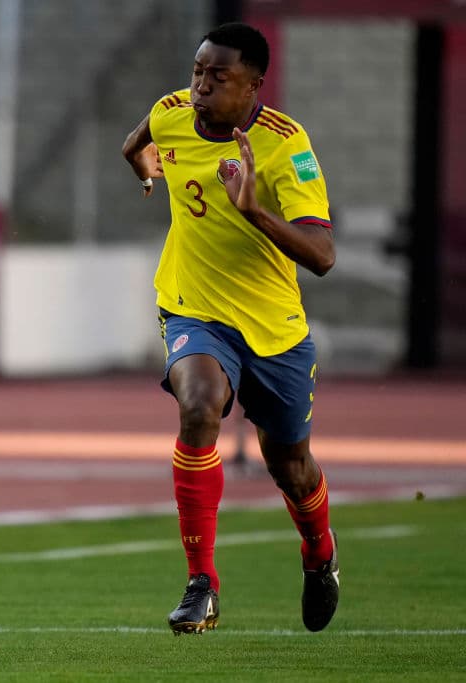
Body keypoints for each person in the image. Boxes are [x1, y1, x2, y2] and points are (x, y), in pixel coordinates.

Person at [120, 22, 339, 635]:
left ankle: (320, 553)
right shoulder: (170, 114)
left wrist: (254, 210)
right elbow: (135, 143)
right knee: (199, 404)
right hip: (193, 306)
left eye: (219, 77)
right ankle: (201, 583)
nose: (200, 85)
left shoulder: (285, 144)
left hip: (273, 327)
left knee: (289, 465)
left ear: (254, 85)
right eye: (197, 71)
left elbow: (322, 256)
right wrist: (146, 174)